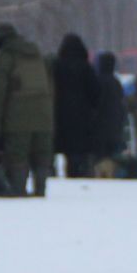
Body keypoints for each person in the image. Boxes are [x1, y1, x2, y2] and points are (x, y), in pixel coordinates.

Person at [0, 23, 56, 196]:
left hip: (17, 117)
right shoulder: (38, 56)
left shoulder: (4, 60)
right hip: (44, 114)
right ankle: (40, 190)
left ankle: (18, 190)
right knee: (42, 155)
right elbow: (50, 86)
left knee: (17, 155)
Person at [52, 33, 98, 178]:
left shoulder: (57, 66)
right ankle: (79, 172)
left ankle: (65, 172)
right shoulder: (86, 67)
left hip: (61, 113)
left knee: (66, 147)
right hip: (82, 114)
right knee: (80, 151)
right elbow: (95, 91)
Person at [92, 51, 127, 175]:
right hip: (115, 126)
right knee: (112, 156)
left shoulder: (96, 81)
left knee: (99, 157)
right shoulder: (116, 82)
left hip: (99, 126)